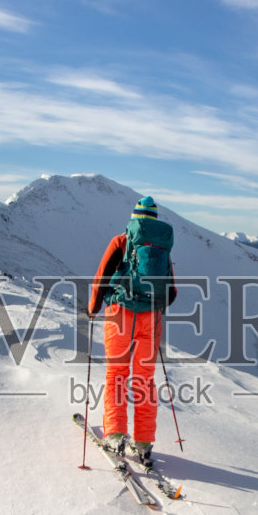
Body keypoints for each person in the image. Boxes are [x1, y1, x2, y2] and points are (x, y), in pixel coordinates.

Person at [88, 195, 175, 469]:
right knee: (145, 381)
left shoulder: (121, 241)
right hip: (152, 318)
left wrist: (93, 306)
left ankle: (114, 435)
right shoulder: (162, 249)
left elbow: (101, 276)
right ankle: (144, 442)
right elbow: (171, 292)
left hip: (120, 315)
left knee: (117, 375)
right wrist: (153, 307)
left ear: (134, 218)